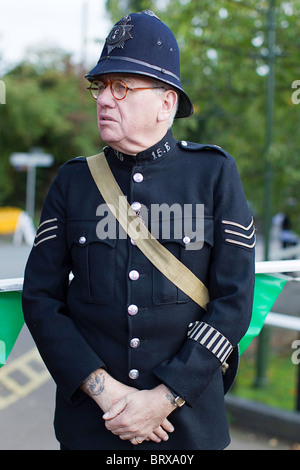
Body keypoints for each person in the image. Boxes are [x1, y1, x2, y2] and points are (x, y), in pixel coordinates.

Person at [22, 11, 255, 450]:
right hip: (93, 427)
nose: (104, 100)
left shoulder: (213, 174)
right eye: (100, 86)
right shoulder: (73, 182)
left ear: (167, 102)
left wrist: (165, 397)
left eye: (122, 87)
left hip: (186, 428)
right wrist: (105, 391)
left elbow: (234, 301)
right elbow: (41, 298)